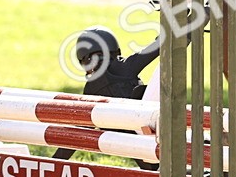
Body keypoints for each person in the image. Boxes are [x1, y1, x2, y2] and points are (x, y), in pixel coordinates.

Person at [52, 26, 160, 165]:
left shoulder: (91, 88)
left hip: (140, 150)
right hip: (155, 134)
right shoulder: (124, 67)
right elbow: (156, 48)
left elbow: (80, 130)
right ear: (115, 51)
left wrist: (55, 161)